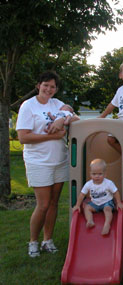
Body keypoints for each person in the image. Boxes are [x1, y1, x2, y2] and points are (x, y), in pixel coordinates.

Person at [16, 71, 78, 258]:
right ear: (38, 85)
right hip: (39, 162)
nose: (49, 89)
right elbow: (23, 137)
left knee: (53, 203)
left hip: (59, 160)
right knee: (42, 205)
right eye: (46, 85)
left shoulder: (57, 104)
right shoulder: (28, 106)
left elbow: (72, 114)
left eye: (52, 87)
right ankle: (33, 242)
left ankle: (47, 240)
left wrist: (62, 118)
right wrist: (52, 135)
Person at [72, 159, 123, 235]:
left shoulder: (108, 183)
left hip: (107, 202)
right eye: (94, 174)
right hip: (95, 203)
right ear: (90, 174)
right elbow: (82, 194)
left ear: (105, 174)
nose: (97, 176)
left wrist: (119, 203)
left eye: (100, 174)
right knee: (86, 208)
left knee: (107, 209)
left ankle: (107, 224)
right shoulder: (89, 184)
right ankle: (90, 221)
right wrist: (77, 205)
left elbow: (116, 192)